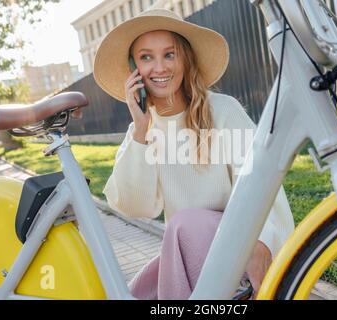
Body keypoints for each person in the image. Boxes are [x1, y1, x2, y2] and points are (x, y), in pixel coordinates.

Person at [94, 8, 295, 300]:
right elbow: (134, 207)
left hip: (243, 248)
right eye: (146, 57)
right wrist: (140, 132)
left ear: (185, 59)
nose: (159, 67)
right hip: (193, 250)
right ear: (134, 69)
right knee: (134, 294)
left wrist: (258, 242)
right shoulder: (142, 131)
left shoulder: (223, 111)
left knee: (184, 225)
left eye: (170, 54)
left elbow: (262, 184)